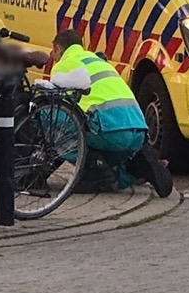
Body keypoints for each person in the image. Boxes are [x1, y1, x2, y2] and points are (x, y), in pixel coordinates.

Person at [20, 29, 174, 198]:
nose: (51, 54)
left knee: (48, 119)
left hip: (108, 130)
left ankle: (94, 168)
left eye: (53, 50)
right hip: (138, 130)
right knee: (113, 163)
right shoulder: (99, 61)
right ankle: (135, 166)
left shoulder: (64, 65)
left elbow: (60, 110)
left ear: (58, 48)